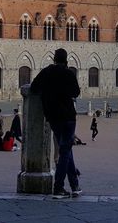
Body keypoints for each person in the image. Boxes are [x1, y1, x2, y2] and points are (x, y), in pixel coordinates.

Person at [29, 48, 82, 199]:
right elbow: (76, 93)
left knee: (66, 149)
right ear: (66, 60)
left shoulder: (46, 72)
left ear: (54, 59)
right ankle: (58, 187)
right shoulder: (68, 73)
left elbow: (33, 88)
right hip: (68, 118)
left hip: (54, 118)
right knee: (65, 151)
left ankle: (75, 185)